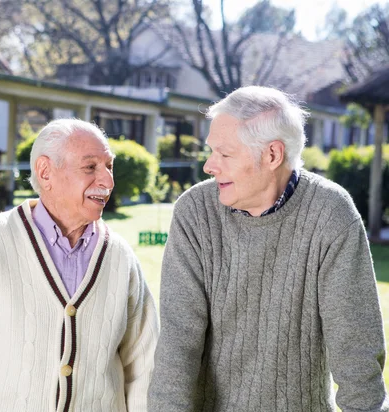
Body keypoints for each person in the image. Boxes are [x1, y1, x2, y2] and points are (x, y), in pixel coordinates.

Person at [149, 86, 389, 411]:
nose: (209, 165)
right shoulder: (195, 211)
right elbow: (178, 342)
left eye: (225, 154)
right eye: (211, 151)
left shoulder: (331, 213)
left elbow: (355, 349)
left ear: (272, 155)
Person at [0, 118, 159, 411]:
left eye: (109, 166)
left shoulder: (121, 258)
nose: (108, 181)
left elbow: (145, 368)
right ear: (45, 172)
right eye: (90, 167)